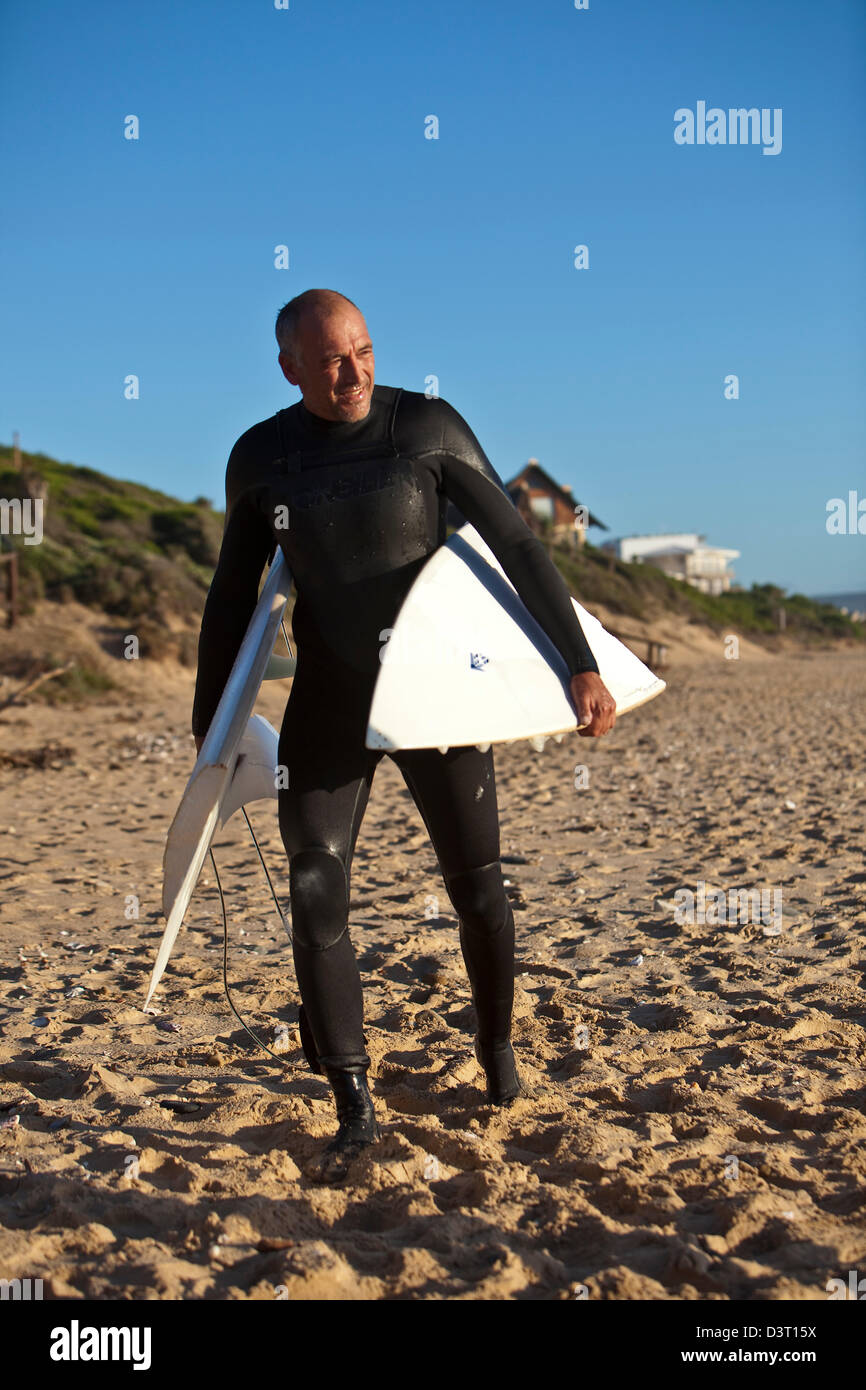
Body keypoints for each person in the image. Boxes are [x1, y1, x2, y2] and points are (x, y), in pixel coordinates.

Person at [192, 289, 616, 1183]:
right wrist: (212, 730)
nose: (354, 373)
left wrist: (579, 661)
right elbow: (233, 598)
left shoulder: (424, 429)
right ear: (290, 368)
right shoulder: (263, 459)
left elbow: (517, 545)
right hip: (333, 695)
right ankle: (353, 1100)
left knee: (478, 886)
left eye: (365, 351)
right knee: (314, 881)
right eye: (332, 360)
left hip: (435, 694)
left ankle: (496, 1054)